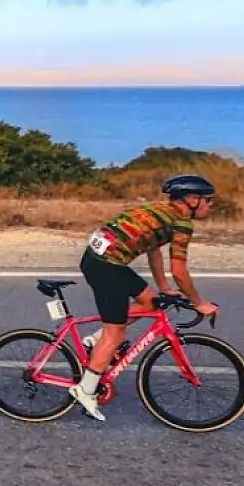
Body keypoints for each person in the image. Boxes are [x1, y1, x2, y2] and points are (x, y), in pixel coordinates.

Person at [69, 173, 220, 421]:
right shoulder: (182, 222)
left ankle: (94, 342)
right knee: (115, 333)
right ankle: (85, 390)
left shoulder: (159, 210)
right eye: (208, 200)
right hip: (107, 266)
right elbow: (180, 272)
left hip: (102, 259)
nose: (211, 205)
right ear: (192, 199)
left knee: (149, 302)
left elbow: (153, 251)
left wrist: (163, 288)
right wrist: (199, 303)